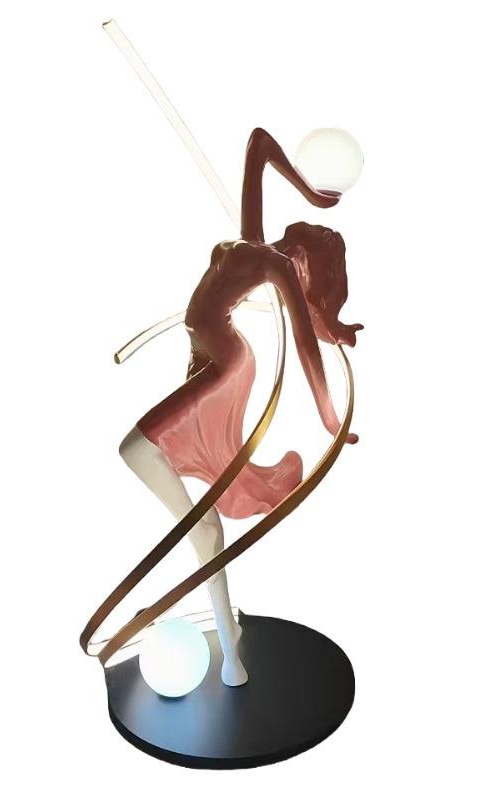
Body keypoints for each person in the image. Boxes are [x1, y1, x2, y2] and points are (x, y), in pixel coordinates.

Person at [119, 128, 362, 686]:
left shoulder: (276, 268)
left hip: (226, 362)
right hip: (204, 351)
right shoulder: (254, 242)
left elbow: (305, 349)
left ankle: (227, 637)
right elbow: (257, 144)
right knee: (169, 481)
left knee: (136, 450)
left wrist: (330, 420)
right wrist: (309, 190)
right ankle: (228, 637)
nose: (299, 259)